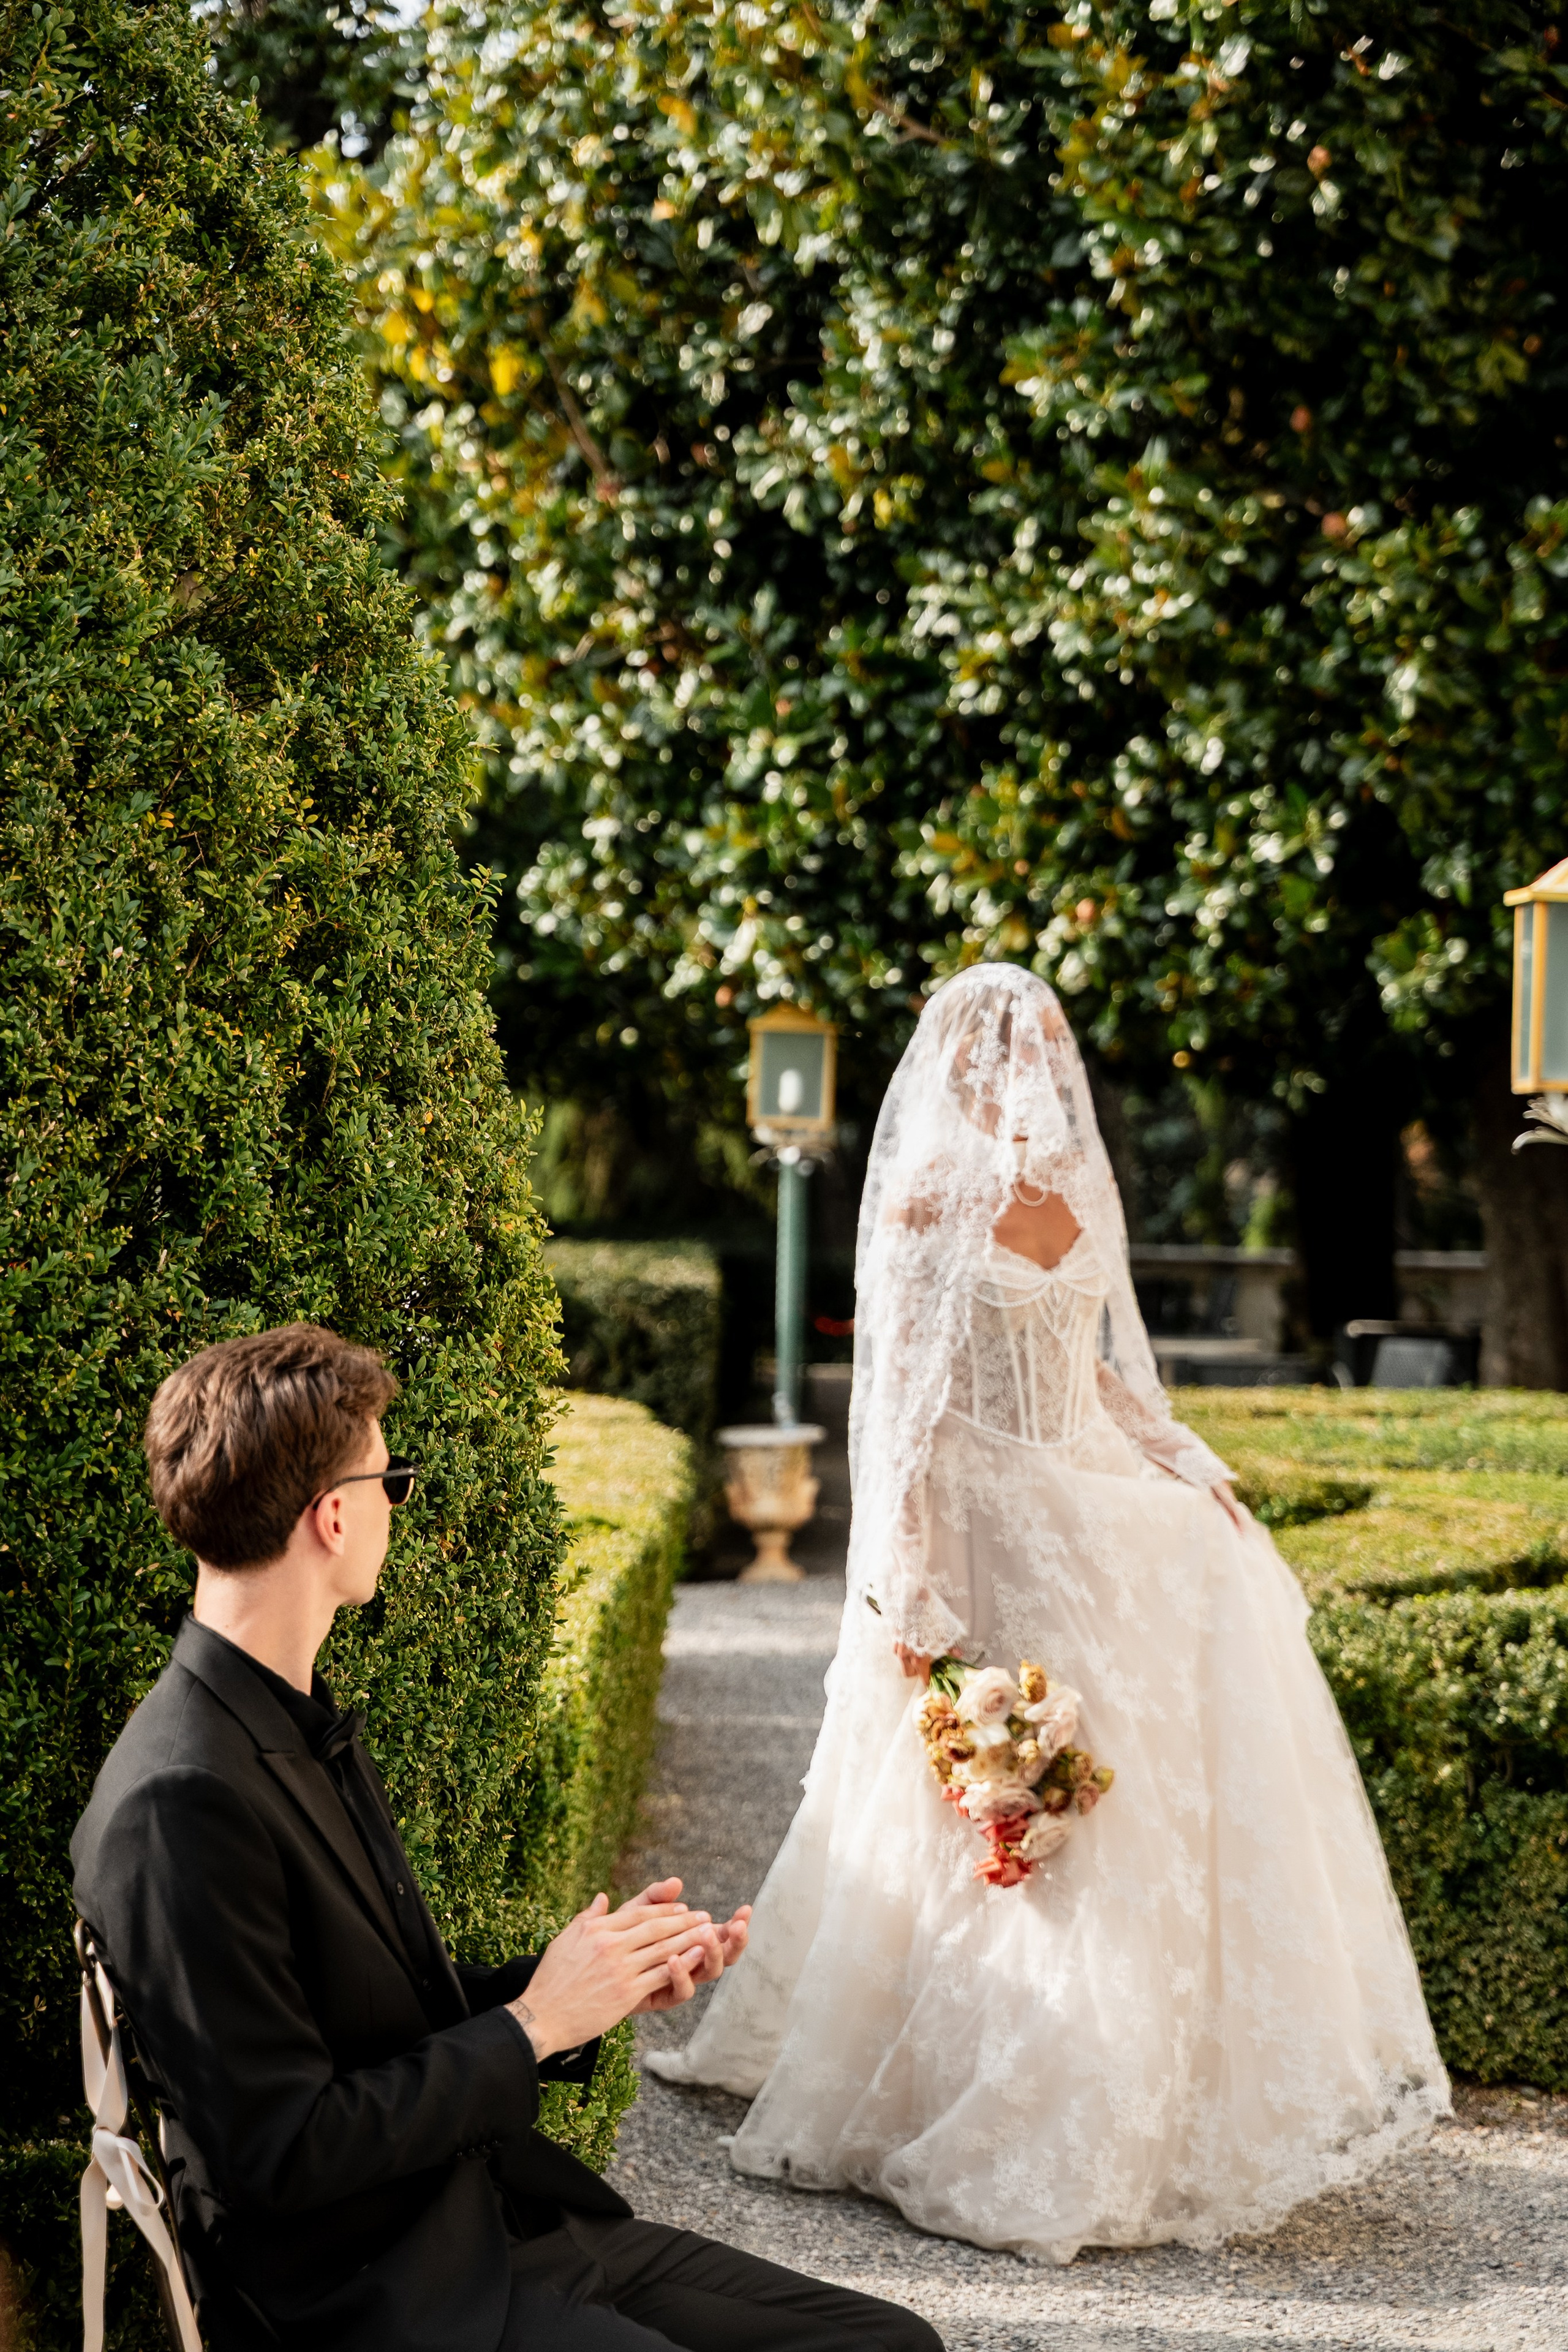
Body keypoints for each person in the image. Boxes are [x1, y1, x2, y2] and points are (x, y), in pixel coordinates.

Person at [648, 965, 1449, 2263]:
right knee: (997, 1767)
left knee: (1097, 1789)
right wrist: (910, 1579)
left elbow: (1108, 1378)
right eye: (1017, 1055)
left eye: (1039, 1055)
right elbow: (901, 1419)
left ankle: (1118, 2097)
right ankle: (990, 2069)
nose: (1028, 1077)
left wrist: (1193, 1471)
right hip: (1001, 1518)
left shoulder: (1055, 1198)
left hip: (1081, 1510)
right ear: (972, 1071)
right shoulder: (932, 1206)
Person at [72, 1324, 943, 2352]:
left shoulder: (277, 1719)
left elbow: (370, 2027)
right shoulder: (180, 1798)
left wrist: (592, 1988)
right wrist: (532, 2023)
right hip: (379, 2300)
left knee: (894, 2345)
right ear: (336, 1516)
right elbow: (281, 2154)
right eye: (392, 1479)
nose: (399, 1506)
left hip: (493, 2229)